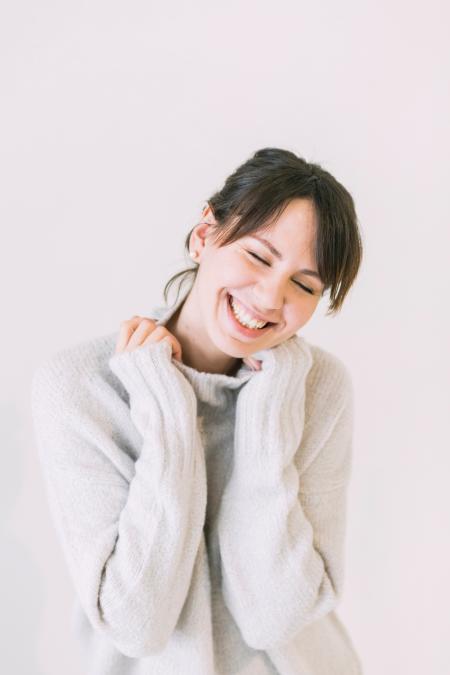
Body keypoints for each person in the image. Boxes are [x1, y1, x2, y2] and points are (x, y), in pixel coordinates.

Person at [31, 147, 364, 674]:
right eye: (258, 256)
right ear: (204, 235)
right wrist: (168, 417)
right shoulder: (80, 388)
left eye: (304, 285)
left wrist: (269, 417)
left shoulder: (318, 387)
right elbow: (138, 625)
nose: (270, 298)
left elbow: (272, 619)